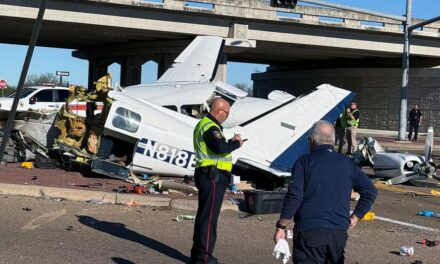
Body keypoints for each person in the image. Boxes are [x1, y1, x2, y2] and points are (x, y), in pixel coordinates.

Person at [273, 120, 377, 264]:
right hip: (338, 233)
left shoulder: (304, 162)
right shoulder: (347, 162)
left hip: (310, 231)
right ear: (333, 141)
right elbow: (370, 191)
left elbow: (295, 196)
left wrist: (281, 226)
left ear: (311, 140)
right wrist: (355, 218)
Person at [190, 97, 244, 264]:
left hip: (208, 175)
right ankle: (204, 258)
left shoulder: (206, 125)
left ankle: (197, 255)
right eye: (226, 112)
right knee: (209, 219)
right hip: (213, 177)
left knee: (204, 216)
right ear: (218, 110)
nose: (227, 116)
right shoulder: (210, 127)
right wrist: (236, 144)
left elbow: (217, 146)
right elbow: (219, 148)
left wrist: (228, 142)